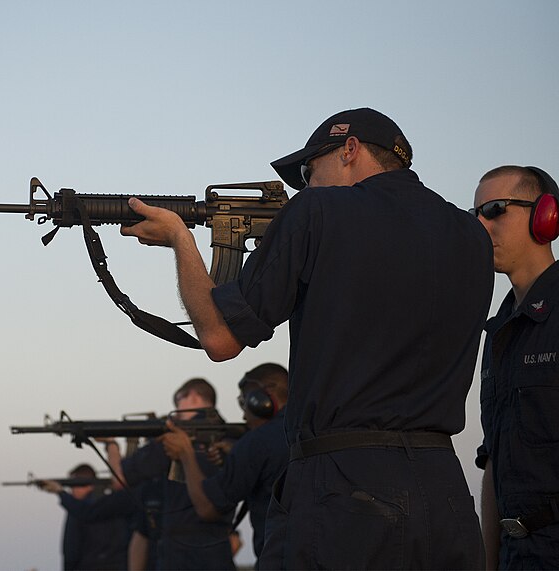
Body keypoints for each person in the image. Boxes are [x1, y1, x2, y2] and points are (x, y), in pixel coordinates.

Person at [121, 107, 494, 569]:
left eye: (308, 170)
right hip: (446, 493)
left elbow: (219, 337)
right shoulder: (472, 236)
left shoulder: (316, 211)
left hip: (343, 490)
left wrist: (181, 240)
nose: (305, 186)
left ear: (350, 149)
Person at [471, 165, 559, 570]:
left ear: (546, 215)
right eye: (474, 214)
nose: (481, 224)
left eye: (495, 209)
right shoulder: (499, 331)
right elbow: (493, 459)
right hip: (515, 556)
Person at [158, 363, 289, 561]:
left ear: (261, 401)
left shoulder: (258, 441)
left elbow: (208, 508)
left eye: (245, 403)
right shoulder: (308, 431)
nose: (244, 415)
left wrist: (185, 454)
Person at [107, 378, 236, 570]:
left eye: (178, 399)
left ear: (193, 397)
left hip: (181, 553)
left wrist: (111, 445)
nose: (176, 407)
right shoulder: (230, 436)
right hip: (218, 549)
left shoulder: (176, 438)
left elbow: (119, 479)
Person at [38, 463, 130, 570]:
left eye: (74, 485)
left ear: (88, 485)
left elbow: (71, 549)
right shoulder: (113, 505)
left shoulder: (78, 511)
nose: (72, 491)